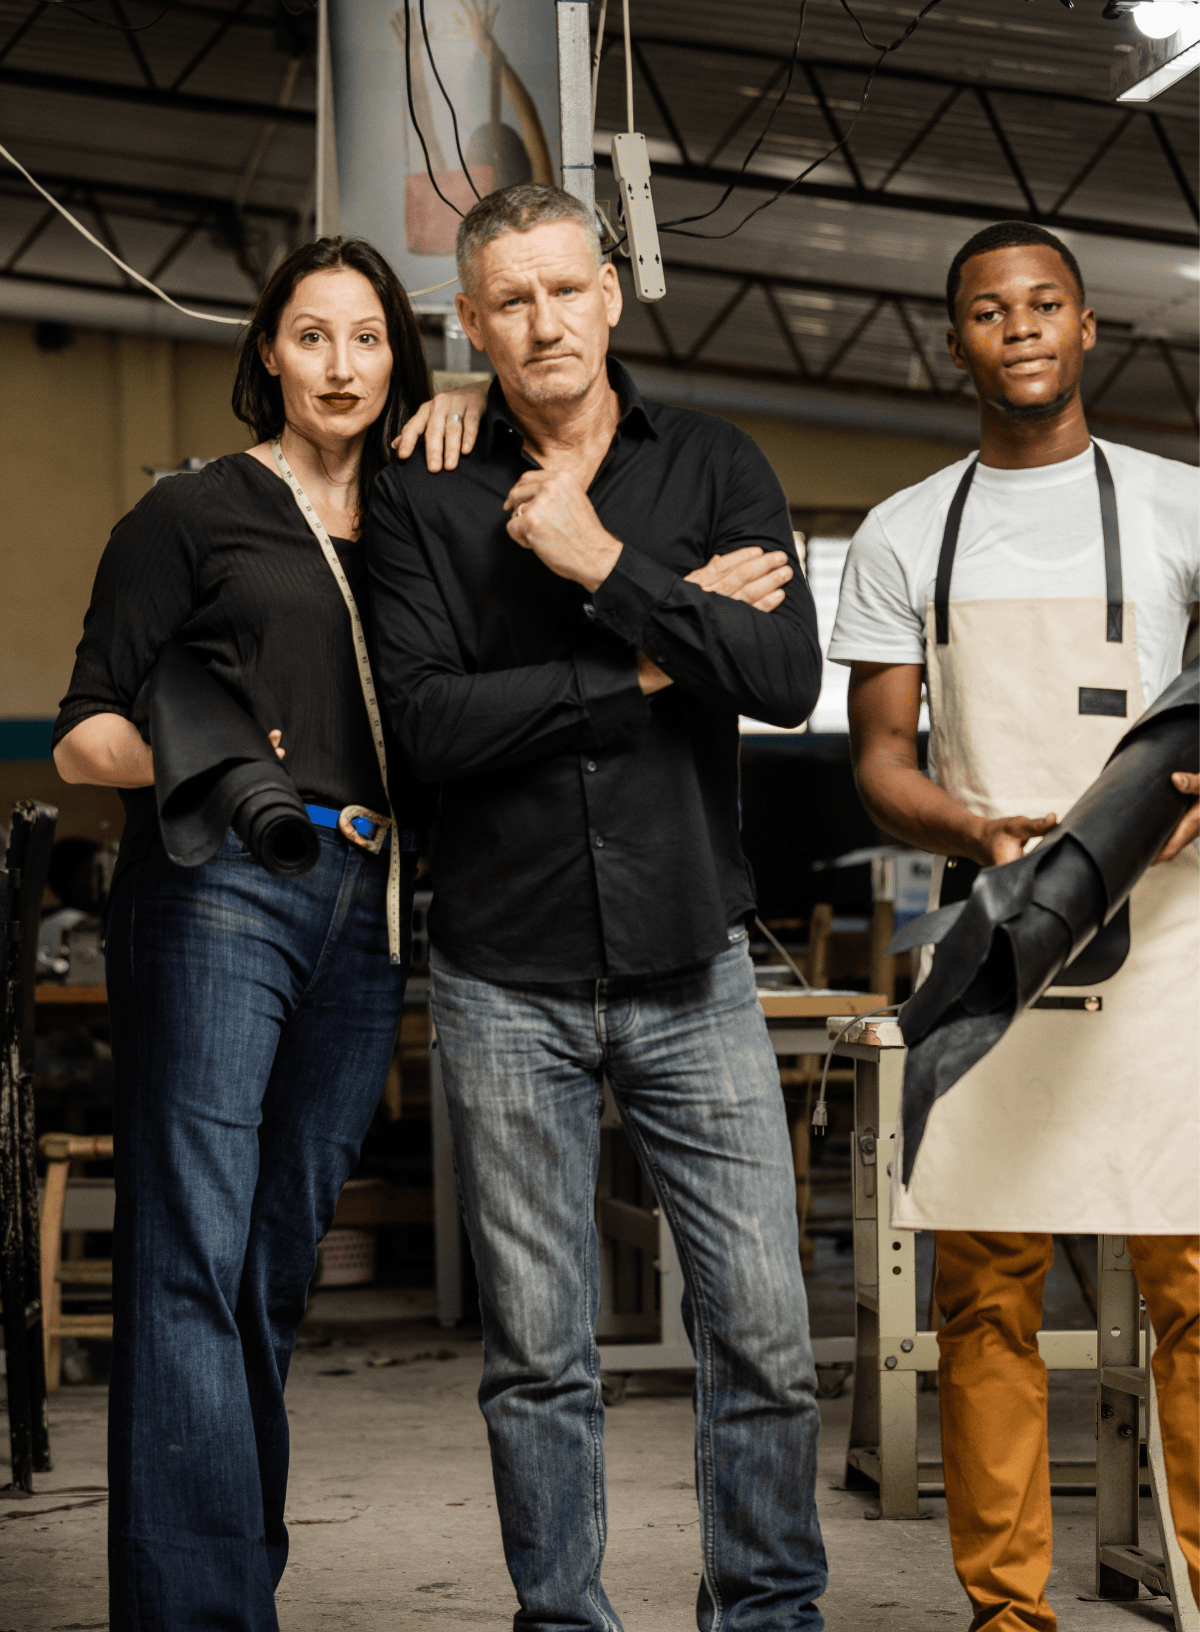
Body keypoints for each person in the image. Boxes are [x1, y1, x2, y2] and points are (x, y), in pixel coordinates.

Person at [366, 181, 826, 1631]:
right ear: (472, 326)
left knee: (764, 1333)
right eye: (510, 301)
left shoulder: (715, 461)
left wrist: (606, 567)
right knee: (538, 1355)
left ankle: (766, 1615)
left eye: (566, 290)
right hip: (507, 973)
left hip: (697, 965)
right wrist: (645, 656)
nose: (544, 321)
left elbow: (786, 682)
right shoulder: (421, 487)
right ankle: (561, 1621)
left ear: (613, 293)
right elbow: (425, 730)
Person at [53, 235, 482, 1632]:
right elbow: (84, 737)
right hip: (222, 885)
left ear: (403, 362)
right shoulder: (194, 516)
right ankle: (198, 1615)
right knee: (191, 1252)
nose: (342, 364)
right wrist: (227, 764)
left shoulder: (427, 521)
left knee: (272, 1265)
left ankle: (227, 1579)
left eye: (369, 338)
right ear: (268, 356)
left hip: (370, 909)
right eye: (313, 336)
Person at [829, 220, 1199, 1629]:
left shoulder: (1181, 509)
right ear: (959, 339)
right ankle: (1010, 1616)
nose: (1021, 327)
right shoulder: (904, 533)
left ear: (1089, 327)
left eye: (1046, 304)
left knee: (1194, 1283)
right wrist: (972, 828)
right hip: (999, 935)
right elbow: (879, 762)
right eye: (991, 310)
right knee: (987, 1296)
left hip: (1172, 943)